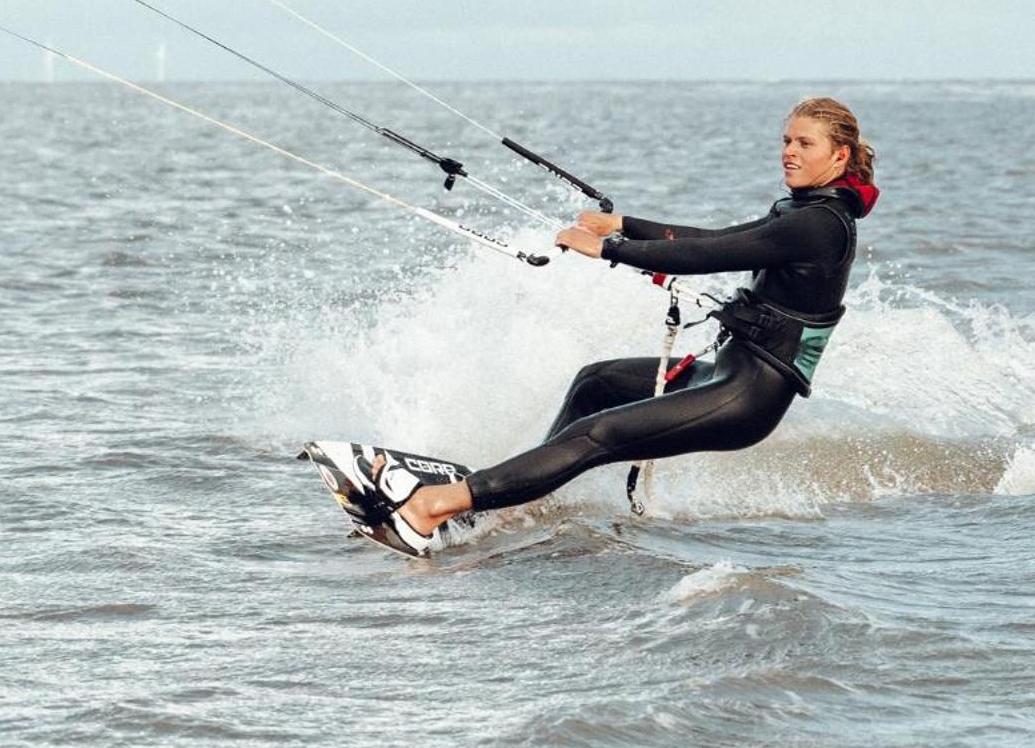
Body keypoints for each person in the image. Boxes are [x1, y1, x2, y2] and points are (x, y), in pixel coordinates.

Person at [365, 96, 879, 555]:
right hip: (727, 372)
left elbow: (710, 255)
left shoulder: (819, 226)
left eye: (804, 143)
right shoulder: (802, 209)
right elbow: (714, 235)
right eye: (786, 139)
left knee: (597, 435)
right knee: (598, 382)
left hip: (747, 396)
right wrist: (625, 225)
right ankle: (516, 497)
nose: (789, 151)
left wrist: (611, 249)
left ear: (838, 156)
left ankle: (432, 507)